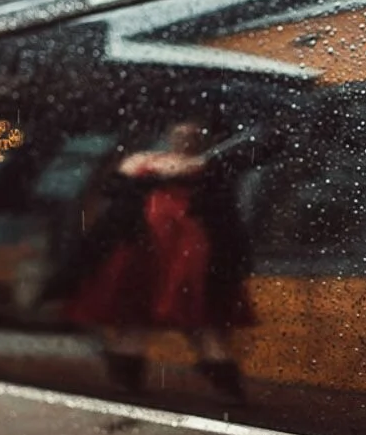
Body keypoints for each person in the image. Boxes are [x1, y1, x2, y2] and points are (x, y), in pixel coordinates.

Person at [48, 120, 256, 400]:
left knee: (170, 316)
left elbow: (114, 190)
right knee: (183, 317)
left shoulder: (178, 164)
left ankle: (130, 378)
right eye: (182, 133)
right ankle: (221, 383)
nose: (185, 138)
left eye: (191, 133)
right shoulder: (200, 166)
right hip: (164, 245)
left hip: (168, 246)